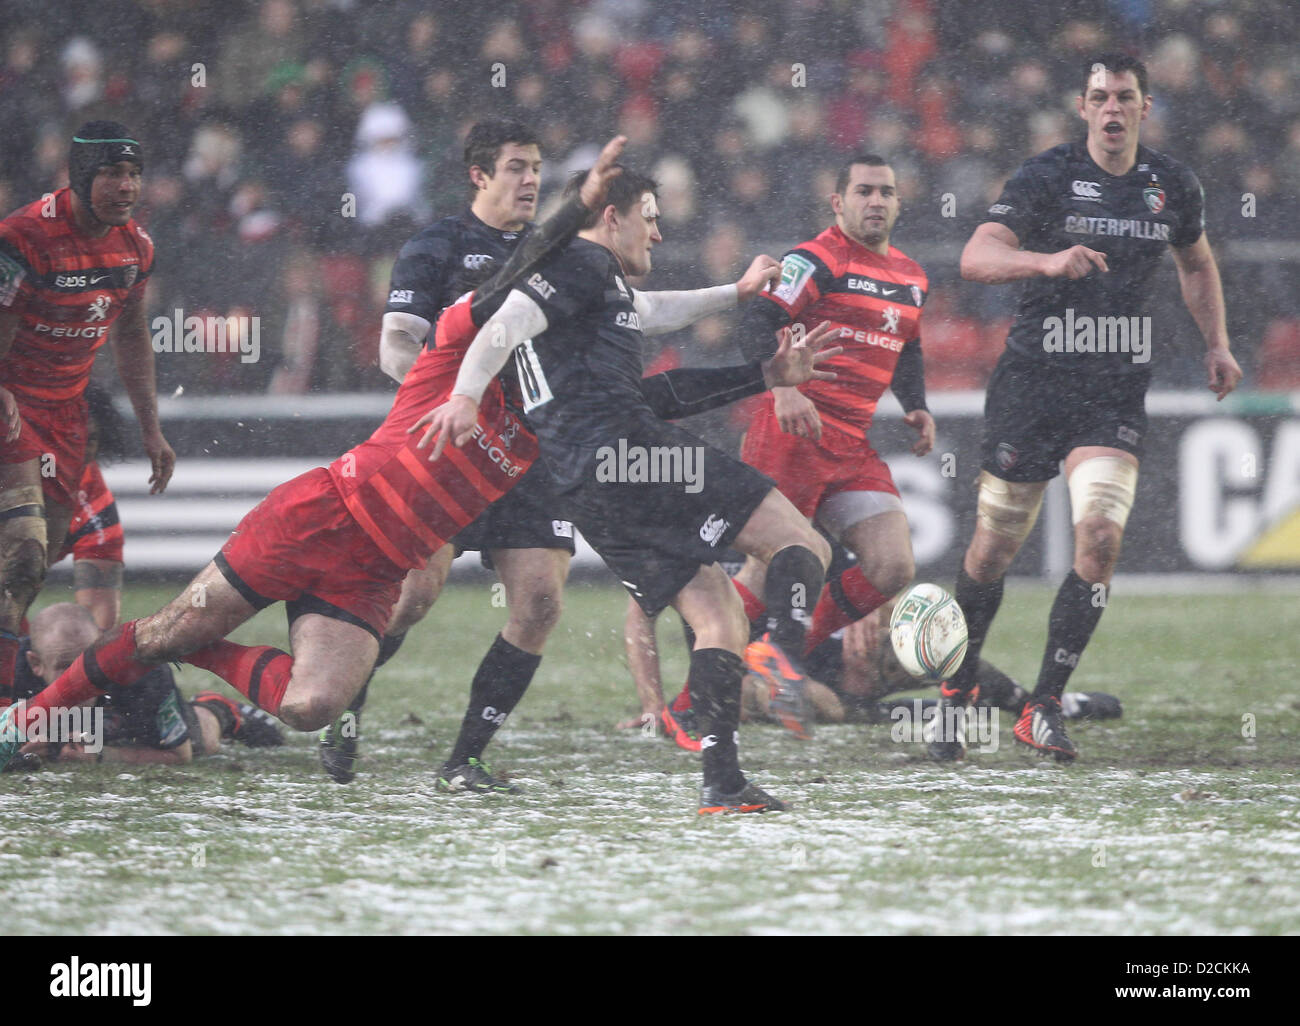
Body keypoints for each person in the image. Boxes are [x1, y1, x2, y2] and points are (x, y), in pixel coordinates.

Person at [2, 136, 834, 793]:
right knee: (174, 624)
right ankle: (32, 720)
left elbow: (637, 318)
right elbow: (518, 283)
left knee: (308, 705)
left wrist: (740, 317)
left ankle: (186, 655)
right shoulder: (458, 344)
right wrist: (576, 209)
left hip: (377, 564)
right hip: (322, 514)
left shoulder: (552, 401)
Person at [415, 166, 845, 814]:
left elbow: (654, 326)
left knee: (717, 616)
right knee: (800, 542)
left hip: (589, 486)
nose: (660, 231)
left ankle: (721, 782)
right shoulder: (580, 264)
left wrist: (743, 314)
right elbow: (505, 322)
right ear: (609, 216)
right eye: (649, 215)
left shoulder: (596, 296)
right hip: (632, 456)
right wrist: (465, 397)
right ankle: (781, 654)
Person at [931, 54, 1242, 762]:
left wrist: (1217, 343)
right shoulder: (1045, 176)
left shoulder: (1171, 184)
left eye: (1124, 97)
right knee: (991, 551)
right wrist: (1042, 261)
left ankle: (1041, 705)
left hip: (1112, 389)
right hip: (1033, 383)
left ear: (1144, 106)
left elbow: (1196, 262)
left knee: (1099, 539)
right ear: (1082, 107)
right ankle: (957, 689)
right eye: (1099, 96)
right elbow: (977, 256)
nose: (1111, 108)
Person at [319, 118, 578, 789]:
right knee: (411, 597)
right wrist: (452, 400)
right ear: (479, 175)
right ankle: (345, 703)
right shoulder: (438, 245)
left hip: (528, 449)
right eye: (517, 167)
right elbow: (394, 348)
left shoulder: (557, 250)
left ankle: (464, 759)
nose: (531, 180)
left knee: (542, 603)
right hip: (449, 446)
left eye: (537, 167)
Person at [720, 154, 935, 741]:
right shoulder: (814, 259)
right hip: (792, 431)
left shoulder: (912, 276)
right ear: (837, 202)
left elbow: (906, 345)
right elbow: (754, 324)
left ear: (898, 202)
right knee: (774, 563)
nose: (876, 201)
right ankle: (702, 686)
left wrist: (915, 403)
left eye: (886, 192)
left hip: (851, 443)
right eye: (863, 191)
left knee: (893, 564)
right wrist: (781, 382)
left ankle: (777, 655)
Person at [0, 121, 175, 701]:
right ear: (80, 177)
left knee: (28, 570)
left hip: (67, 420)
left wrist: (151, 430)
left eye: (134, 174)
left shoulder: (135, 249)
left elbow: (132, 340)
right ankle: (5, 710)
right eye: (112, 173)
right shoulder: (22, 238)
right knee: (22, 552)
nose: (127, 186)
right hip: (11, 408)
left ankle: (10, 703)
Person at [4, 603, 280, 770]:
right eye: (65, 665)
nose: (79, 678)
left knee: (200, 741)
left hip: (127, 720)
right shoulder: (10, 669)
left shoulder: (141, 672)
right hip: (92, 722)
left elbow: (179, 754)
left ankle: (217, 709)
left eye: (86, 663)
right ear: (35, 663)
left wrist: (102, 755)